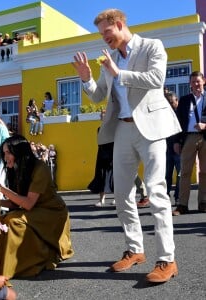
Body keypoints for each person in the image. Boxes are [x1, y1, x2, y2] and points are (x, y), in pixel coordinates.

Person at [72, 8, 181, 283]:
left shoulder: (151, 47)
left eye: (106, 32)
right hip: (122, 128)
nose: (104, 38)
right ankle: (135, 249)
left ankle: (167, 259)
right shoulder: (107, 60)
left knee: (156, 192)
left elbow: (156, 79)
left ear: (119, 25)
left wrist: (119, 72)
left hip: (152, 127)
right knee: (121, 193)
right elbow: (99, 96)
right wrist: (86, 78)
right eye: (101, 34)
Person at [0, 134, 74, 279]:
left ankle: (12, 266)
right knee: (1, 220)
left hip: (52, 213)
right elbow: (16, 203)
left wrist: (1, 189)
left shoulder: (40, 168)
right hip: (34, 210)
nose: (5, 156)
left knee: (12, 221)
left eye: (8, 152)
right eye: (4, 153)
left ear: (19, 152)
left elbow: (28, 204)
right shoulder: (16, 169)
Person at [172, 71, 206, 215]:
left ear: (203, 81)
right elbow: (177, 122)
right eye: (193, 82)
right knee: (184, 172)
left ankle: (203, 202)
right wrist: (176, 141)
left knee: (204, 172)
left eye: (198, 81)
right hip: (189, 138)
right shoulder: (185, 100)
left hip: (205, 137)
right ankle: (182, 205)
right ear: (190, 84)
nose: (196, 84)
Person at [165, 91, 181, 206]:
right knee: (167, 175)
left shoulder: (181, 114)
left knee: (180, 175)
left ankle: (178, 197)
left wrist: (179, 142)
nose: (170, 105)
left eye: (172, 102)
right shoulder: (164, 115)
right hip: (167, 150)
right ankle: (165, 197)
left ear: (177, 101)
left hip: (179, 150)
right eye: (168, 102)